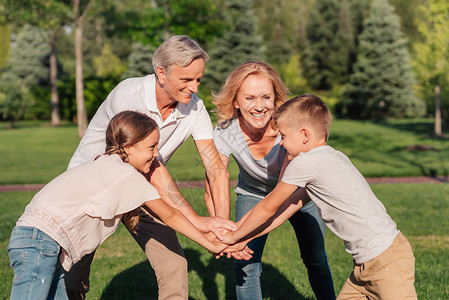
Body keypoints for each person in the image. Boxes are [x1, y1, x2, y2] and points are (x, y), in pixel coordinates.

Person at [66, 35, 236, 300]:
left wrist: (221, 225)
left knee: (174, 265)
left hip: (141, 189)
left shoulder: (195, 108)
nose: (194, 87)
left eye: (198, 79)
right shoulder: (129, 95)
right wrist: (198, 222)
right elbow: (152, 166)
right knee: (72, 276)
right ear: (161, 72)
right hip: (93, 188)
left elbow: (215, 167)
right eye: (186, 79)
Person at [7, 111, 229, 300]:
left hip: (35, 237)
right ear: (130, 147)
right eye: (151, 147)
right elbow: (170, 216)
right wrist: (211, 245)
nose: (156, 154)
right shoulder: (126, 176)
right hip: (40, 241)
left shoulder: (103, 163)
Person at [221, 94, 417, 299]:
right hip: (366, 267)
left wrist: (234, 237)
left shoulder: (305, 163)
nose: (281, 144)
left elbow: (268, 206)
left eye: (284, 136)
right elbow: (286, 209)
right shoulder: (330, 157)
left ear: (304, 135)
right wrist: (246, 237)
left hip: (385, 260)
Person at [205, 62, 335, 299]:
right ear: (236, 101)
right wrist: (223, 230)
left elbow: (281, 198)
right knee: (245, 265)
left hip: (297, 193)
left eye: (266, 97)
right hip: (253, 193)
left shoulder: (289, 127)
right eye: (250, 98)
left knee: (315, 258)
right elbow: (213, 183)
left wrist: (240, 235)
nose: (259, 106)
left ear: (276, 99)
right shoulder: (225, 132)